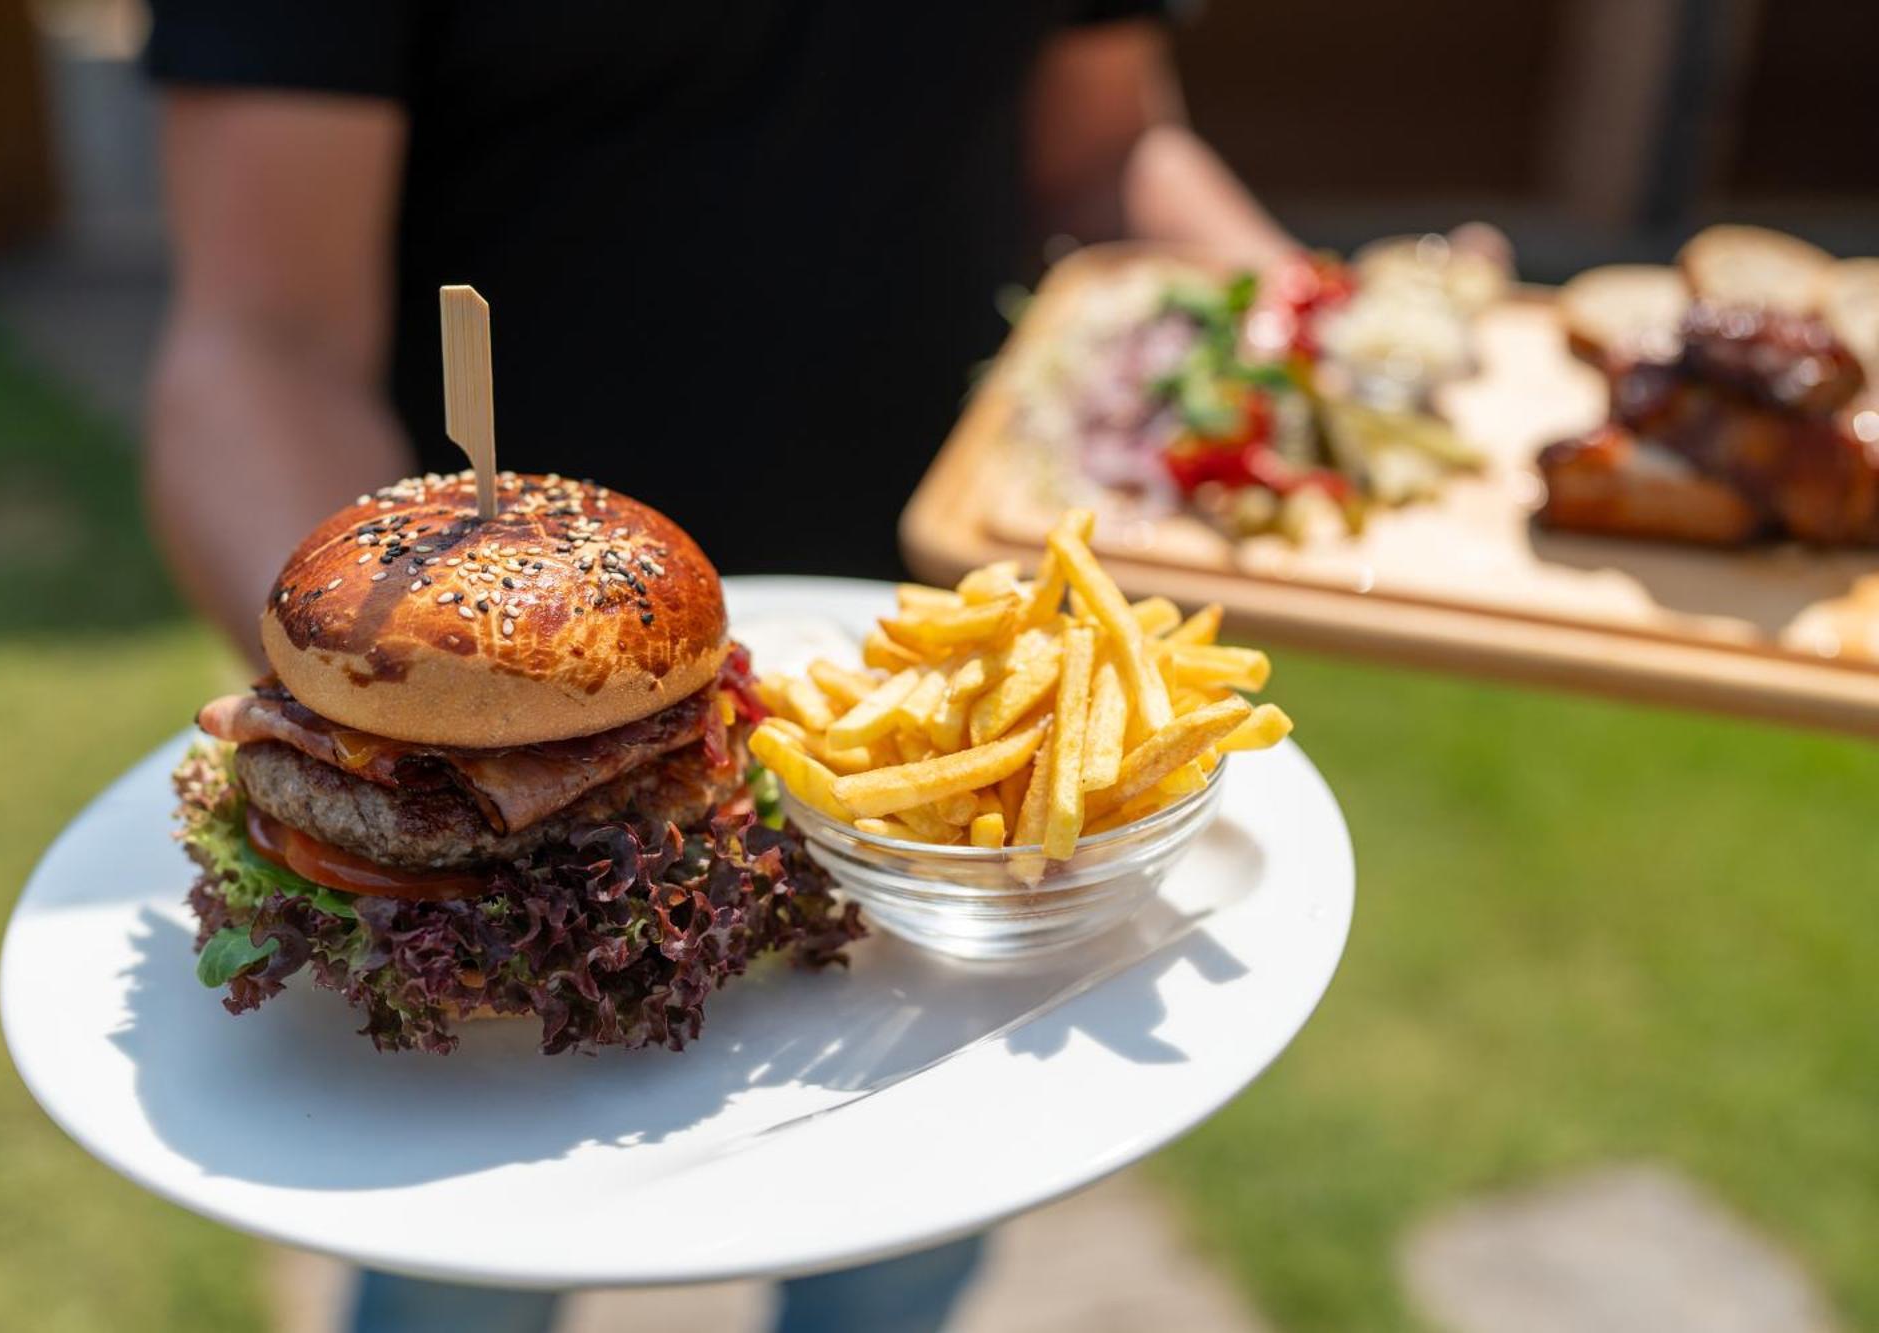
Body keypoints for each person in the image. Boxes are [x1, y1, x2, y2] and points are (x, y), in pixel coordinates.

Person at [140, 3, 1293, 1330]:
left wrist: (1324, 326)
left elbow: (1109, 146)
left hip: (925, 761)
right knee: (457, 1290)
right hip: (437, 617)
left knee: (904, 1257)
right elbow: (256, 338)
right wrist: (406, 766)